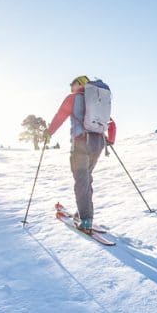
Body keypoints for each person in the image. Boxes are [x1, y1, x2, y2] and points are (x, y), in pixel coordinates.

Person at [46, 75, 117, 233]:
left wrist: (48, 133)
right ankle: (84, 213)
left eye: (73, 83)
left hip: (81, 143)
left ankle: (85, 220)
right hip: (98, 143)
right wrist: (110, 140)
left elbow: (60, 116)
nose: (71, 86)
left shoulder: (73, 98)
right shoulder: (96, 101)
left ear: (80, 84)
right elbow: (112, 124)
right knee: (86, 178)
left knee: (81, 181)